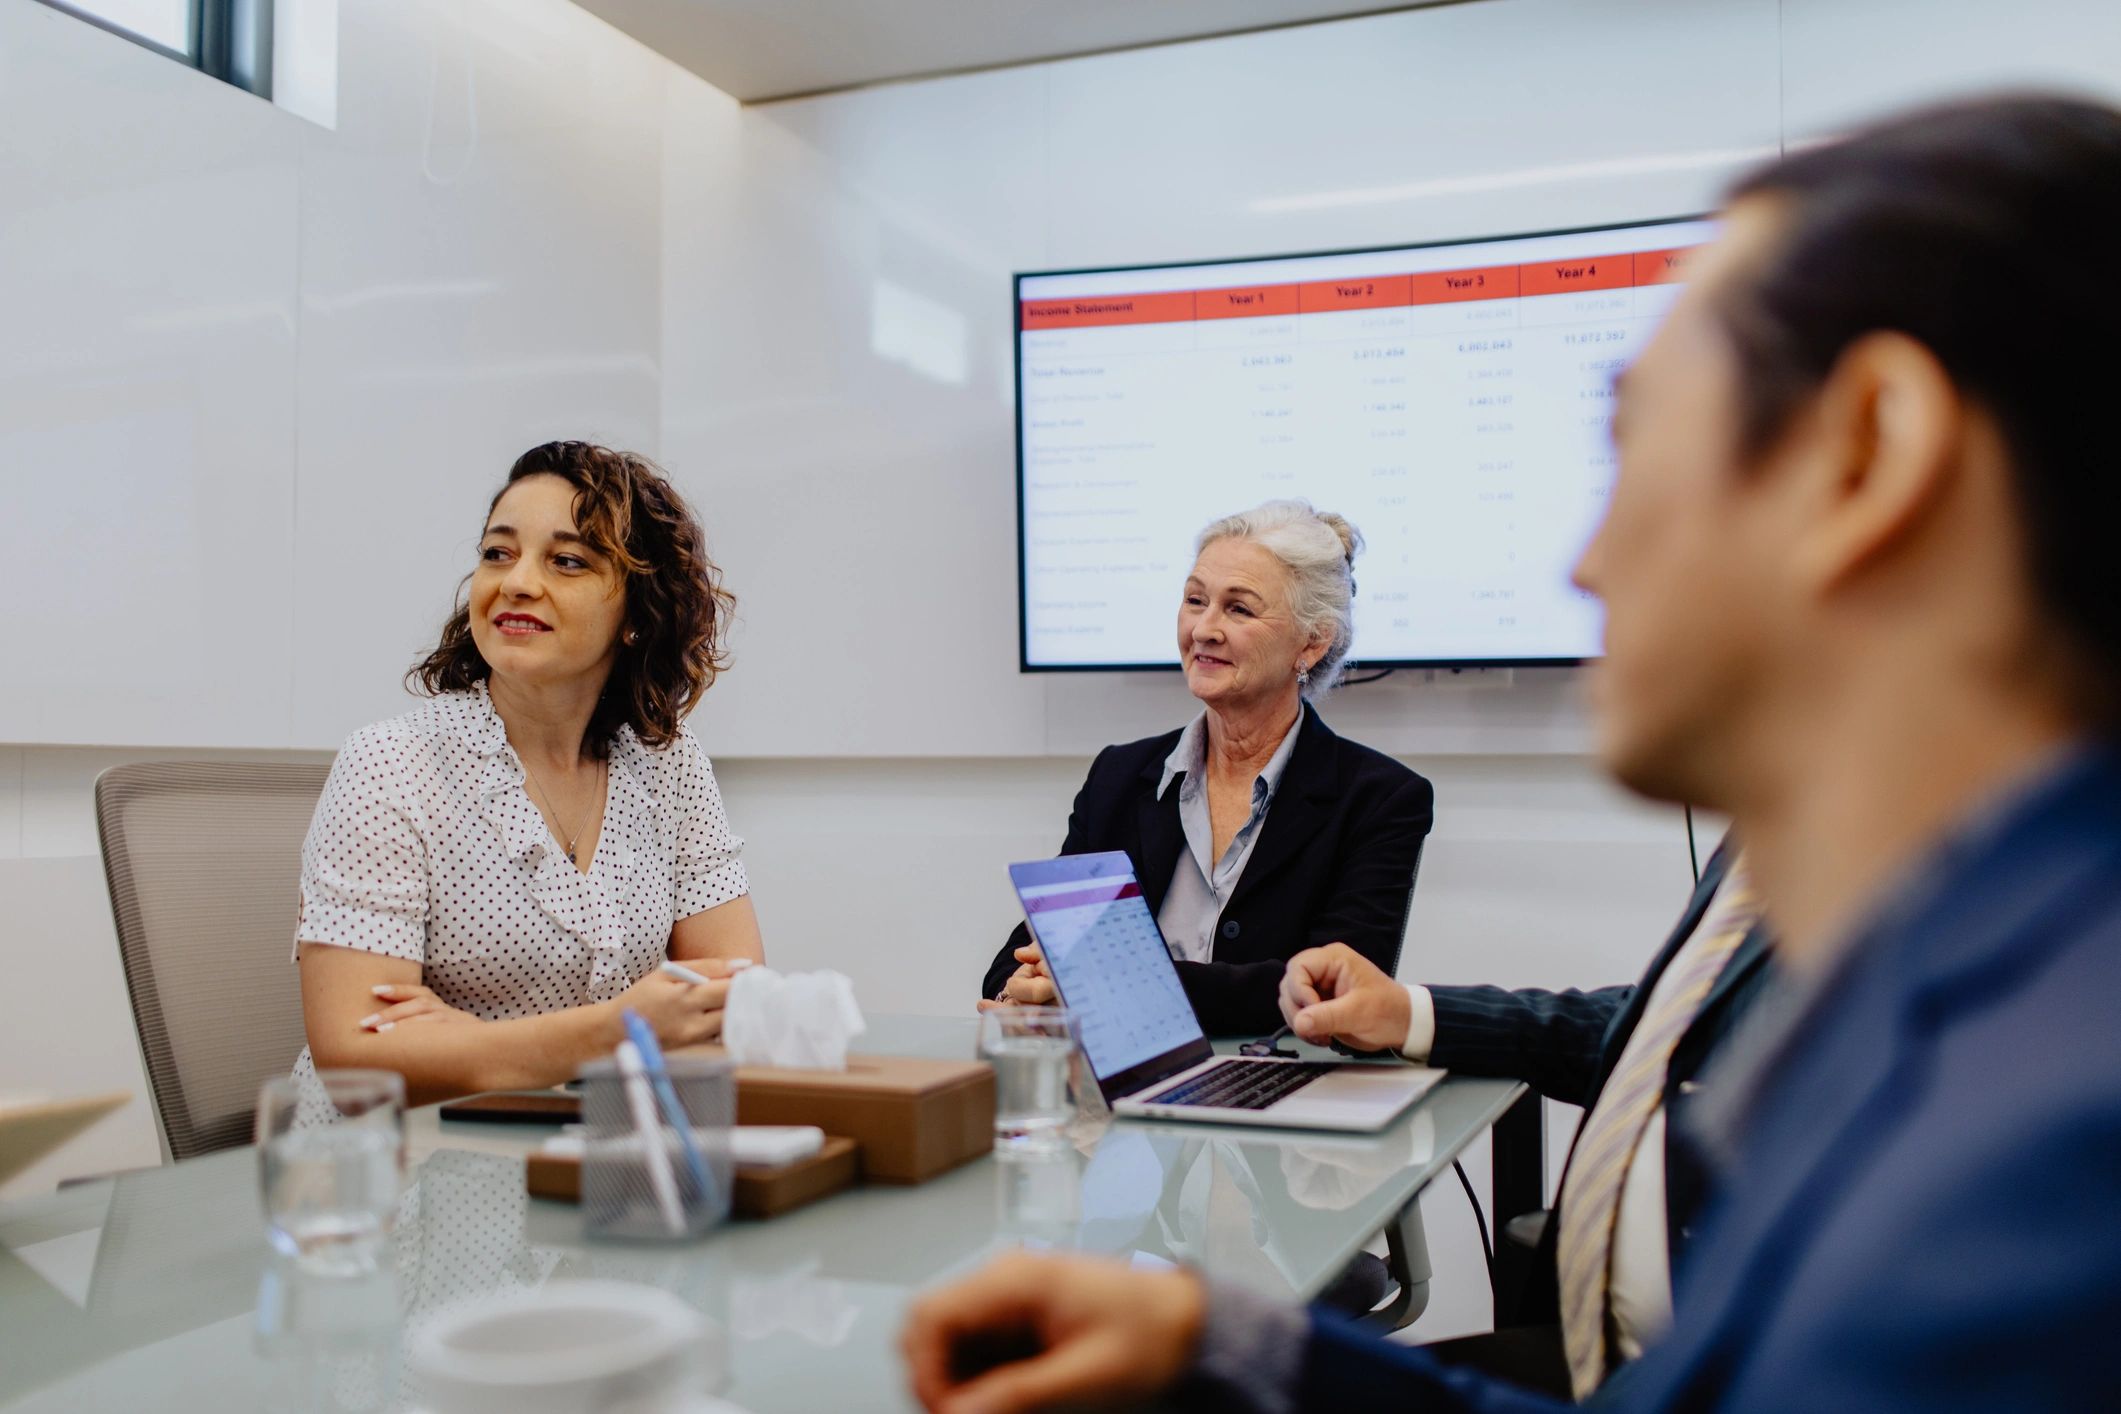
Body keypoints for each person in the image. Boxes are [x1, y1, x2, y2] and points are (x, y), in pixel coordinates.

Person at [902, 94, 2121, 1412]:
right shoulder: (1935, 967)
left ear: (1870, 455)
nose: (1583, 563)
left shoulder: (2052, 1146)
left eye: (1635, 441)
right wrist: (1220, 1344)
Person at [291, 441, 764, 1124]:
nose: (515, 582)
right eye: (497, 554)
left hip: (586, 1156)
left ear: (636, 613)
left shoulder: (667, 761)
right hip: (392, 1174)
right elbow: (356, 1059)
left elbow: (730, 1001)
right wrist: (620, 1031)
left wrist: (465, 1039)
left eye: (567, 561)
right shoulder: (390, 763)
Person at [1277, 836, 1773, 1397]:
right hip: (1606, 1356)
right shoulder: (1754, 851)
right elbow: (1654, 1028)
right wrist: (1407, 1012)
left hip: (1705, 1376)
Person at [980, 501, 1434, 1037]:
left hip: (1285, 1093)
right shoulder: (1121, 776)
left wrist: (1104, 986)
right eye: (1195, 600)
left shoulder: (1380, 798)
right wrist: (1024, 991)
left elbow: (1335, 994)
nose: (1204, 629)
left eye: (1239, 609)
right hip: (1122, 1089)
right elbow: (1033, 950)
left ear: (1313, 642)